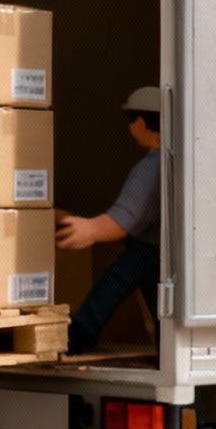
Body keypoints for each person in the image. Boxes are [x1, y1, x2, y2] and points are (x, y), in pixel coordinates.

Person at [56, 86, 163, 353]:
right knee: (154, 297)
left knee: (113, 284)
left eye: (131, 120)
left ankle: (82, 331)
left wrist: (91, 229)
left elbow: (125, 217)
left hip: (148, 250)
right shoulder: (168, 161)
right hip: (157, 250)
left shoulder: (150, 169)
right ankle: (165, 341)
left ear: (140, 121)